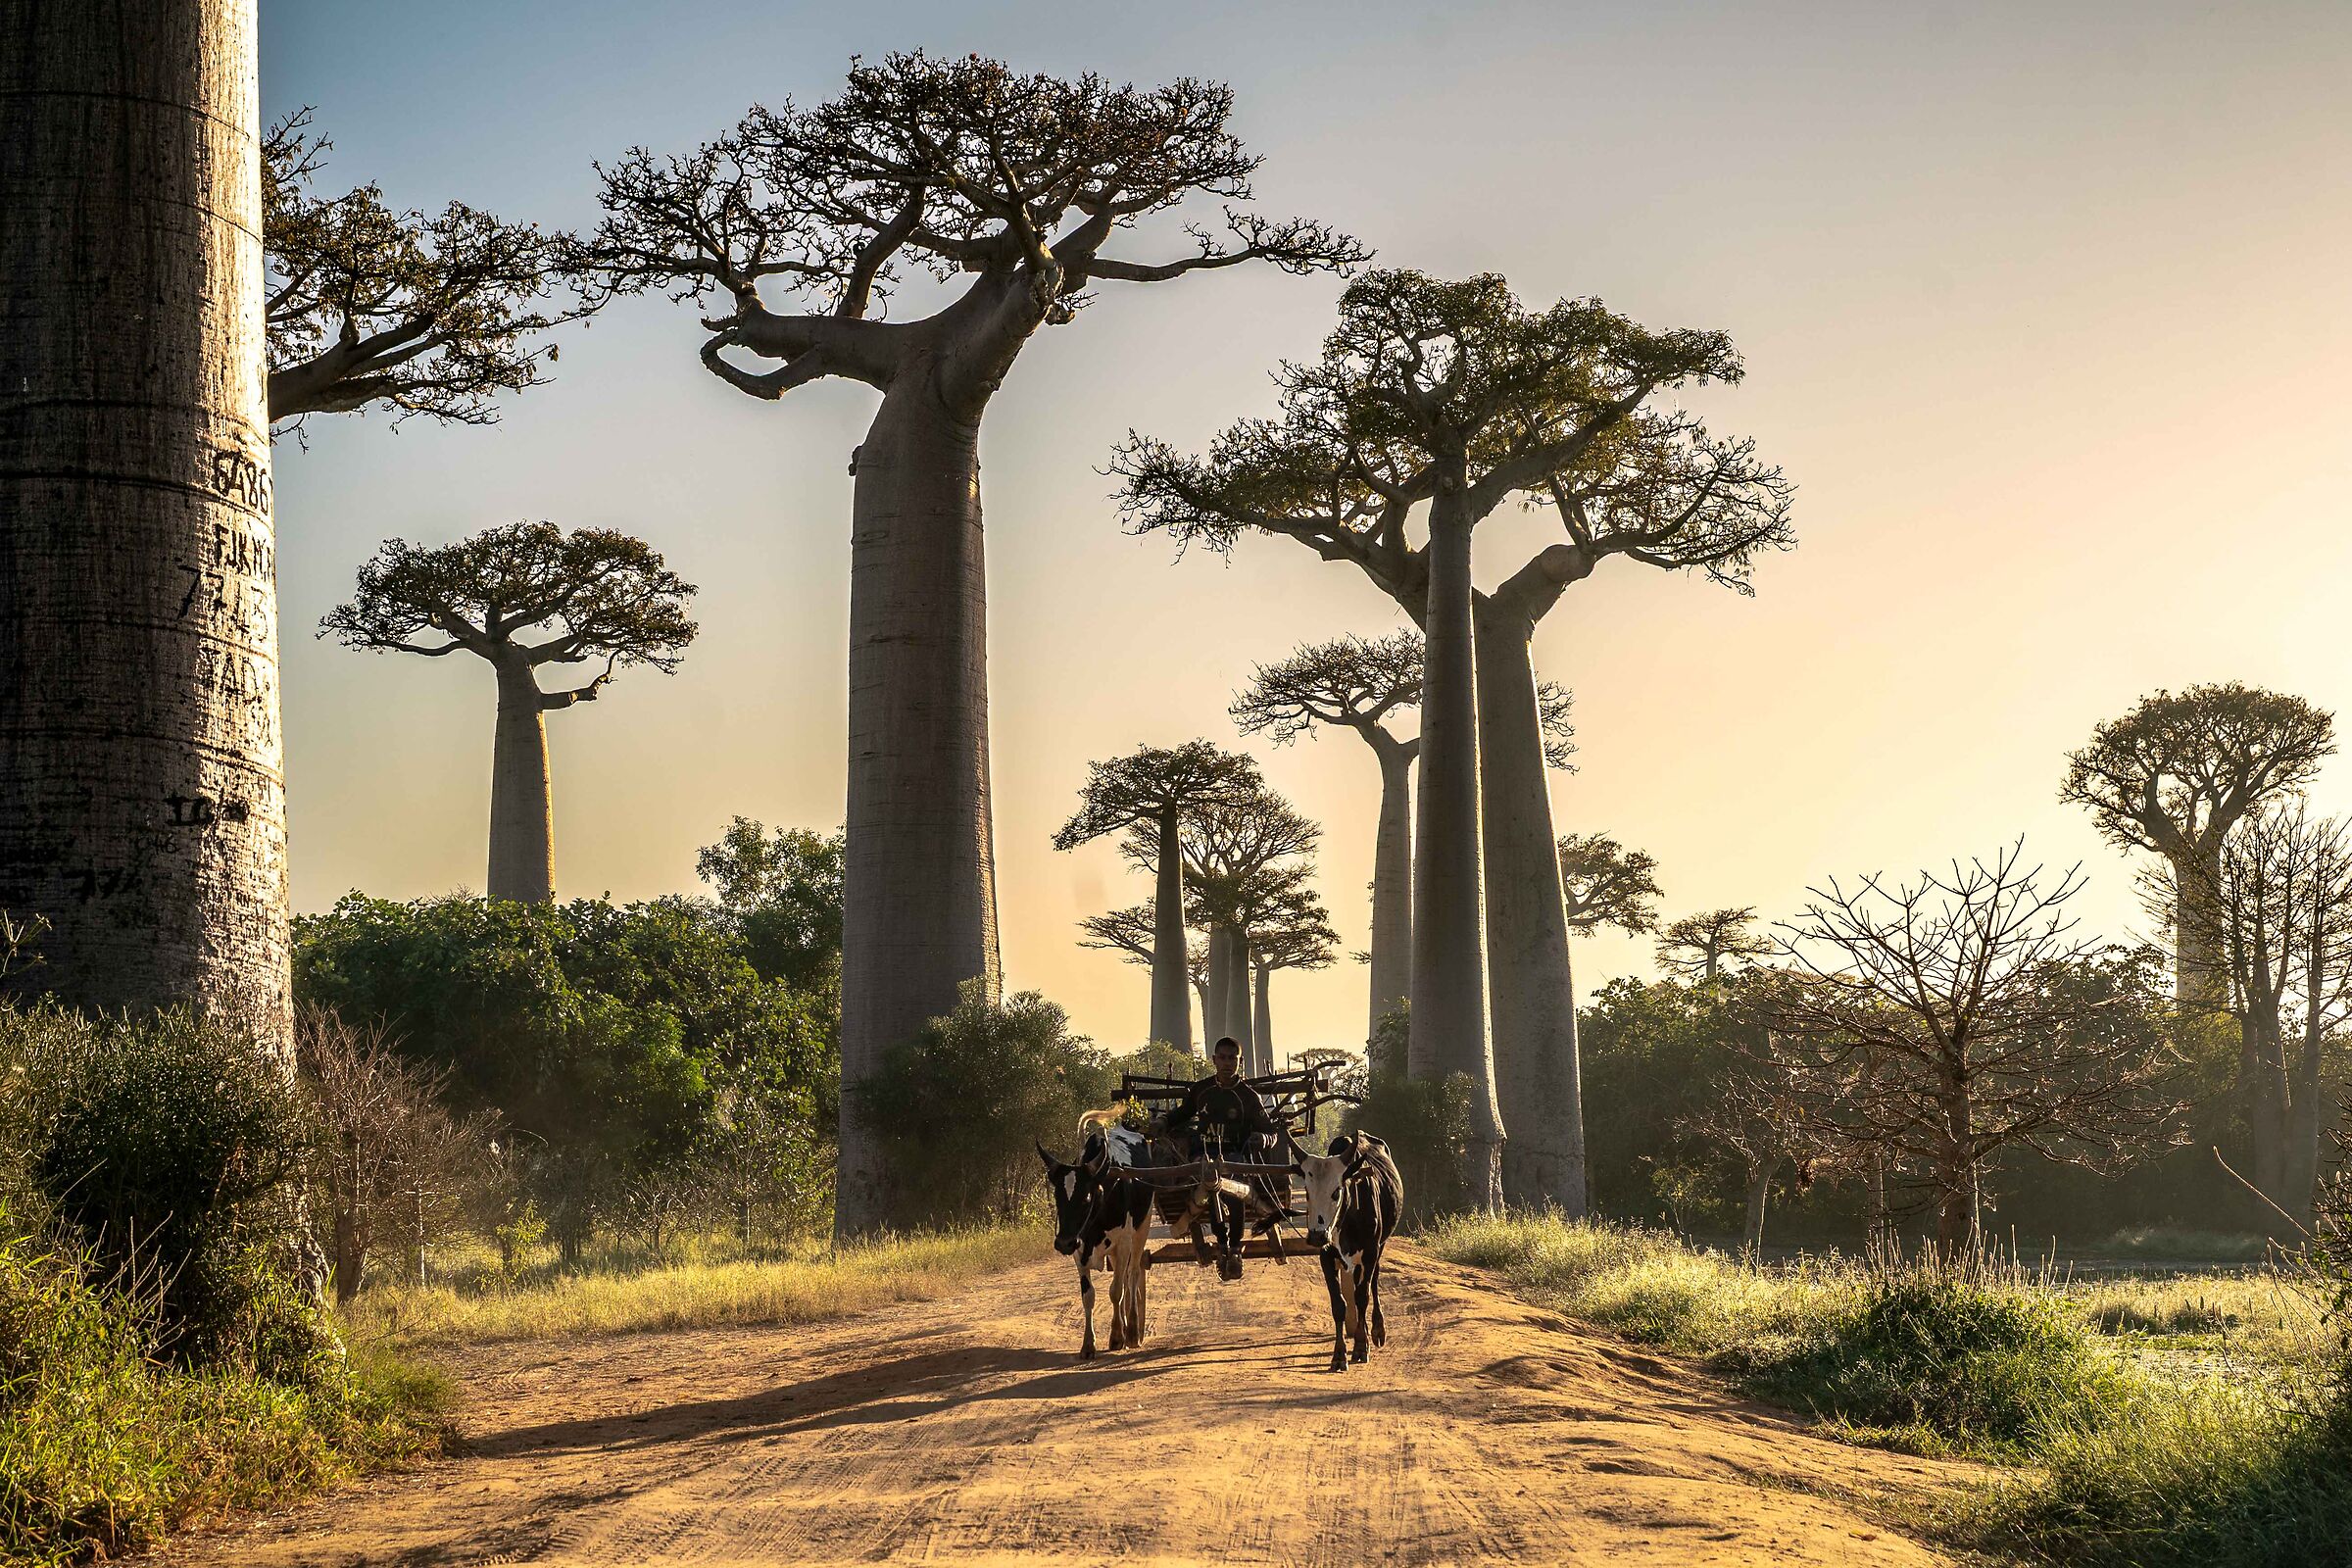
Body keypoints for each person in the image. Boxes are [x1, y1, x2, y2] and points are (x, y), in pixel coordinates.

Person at [1163, 1037, 1280, 1281]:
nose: (1227, 1063)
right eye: (1223, 1058)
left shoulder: (1248, 1096)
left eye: (1232, 1059)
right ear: (1214, 1060)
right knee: (1194, 1187)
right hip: (1202, 1156)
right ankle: (1208, 1241)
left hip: (1235, 1157)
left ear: (1239, 1061)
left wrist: (1263, 1139)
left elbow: (1271, 1132)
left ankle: (1233, 1249)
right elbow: (1181, 1114)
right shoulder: (1201, 1090)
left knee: (1236, 1190)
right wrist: (1161, 1123)